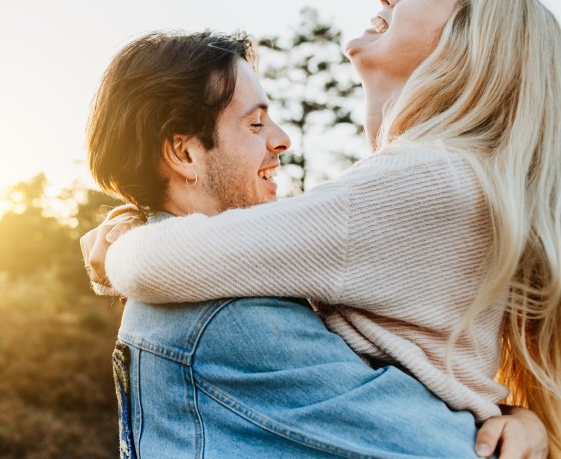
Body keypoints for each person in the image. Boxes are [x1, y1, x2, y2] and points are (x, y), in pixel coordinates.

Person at [83, 27, 548, 457]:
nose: (281, 140)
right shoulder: (234, 319)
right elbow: (438, 448)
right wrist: (516, 429)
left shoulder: (191, 295)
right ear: (185, 153)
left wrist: (513, 416)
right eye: (256, 124)